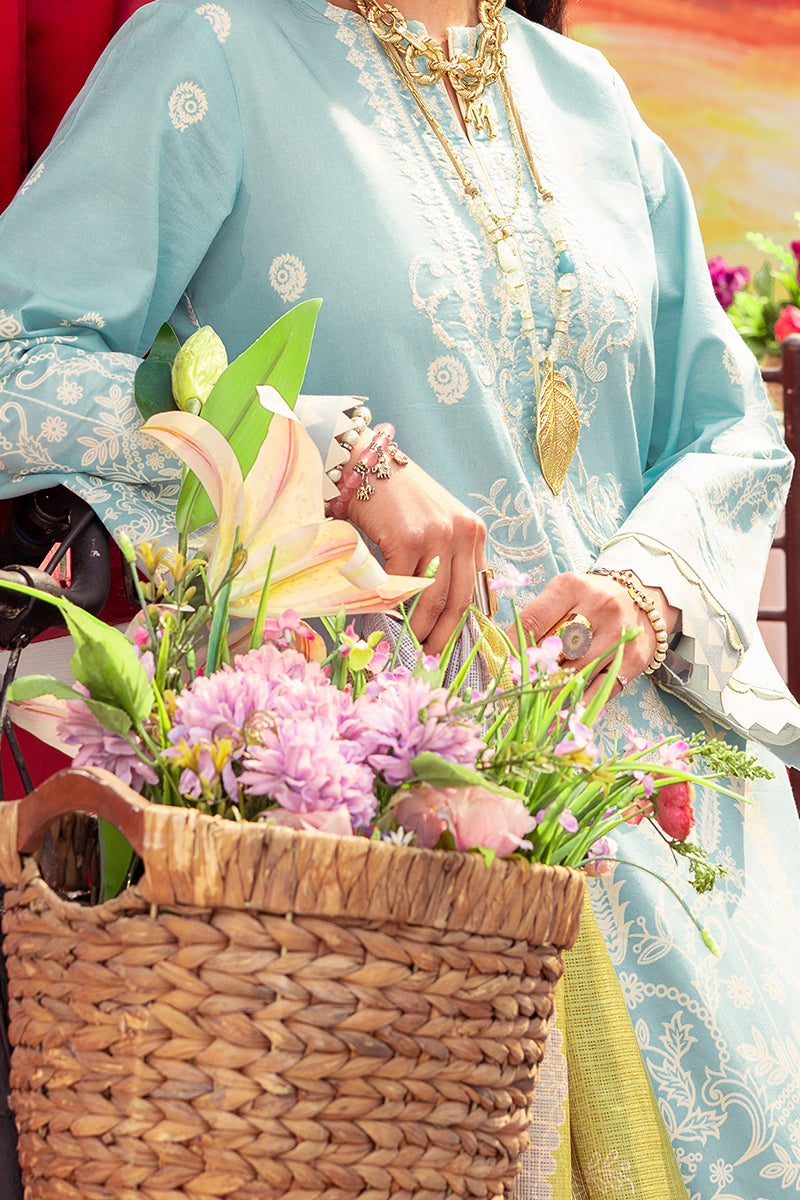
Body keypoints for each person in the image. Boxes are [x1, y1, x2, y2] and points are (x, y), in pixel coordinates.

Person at [1, 1, 799, 1196]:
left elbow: (727, 428)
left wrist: (647, 588)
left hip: (665, 849)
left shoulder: (587, 97)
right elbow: (19, 368)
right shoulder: (209, 50)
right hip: (358, 853)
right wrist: (325, 450)